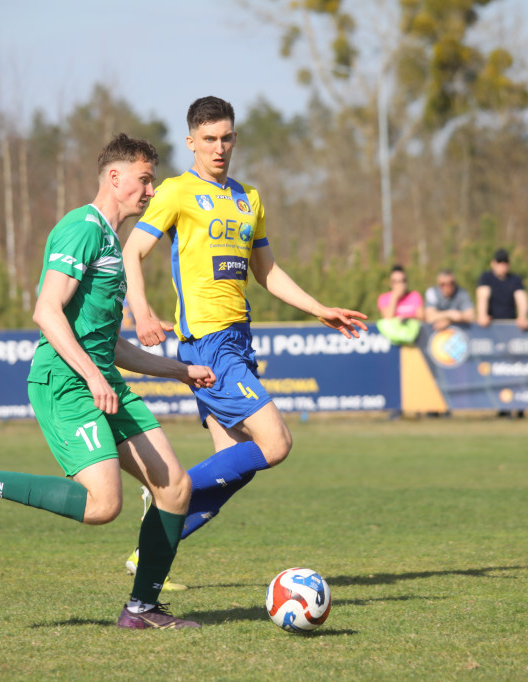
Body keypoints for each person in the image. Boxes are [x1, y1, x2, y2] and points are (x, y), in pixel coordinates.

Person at [0, 134, 213, 630]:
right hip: (66, 383)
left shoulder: (112, 241)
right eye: (144, 179)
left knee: (175, 487)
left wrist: (178, 370)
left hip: (101, 379)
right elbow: (46, 310)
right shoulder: (81, 228)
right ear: (115, 177)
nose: (150, 190)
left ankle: (142, 610)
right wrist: (91, 376)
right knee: (104, 504)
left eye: (152, 180)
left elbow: (113, 347)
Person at [121, 96, 368, 575]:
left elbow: (267, 272)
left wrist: (319, 308)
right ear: (191, 142)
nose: (219, 147)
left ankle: (147, 554)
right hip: (208, 343)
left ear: (235, 139)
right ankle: (165, 491)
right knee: (275, 445)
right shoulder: (175, 192)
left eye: (226, 138)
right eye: (209, 139)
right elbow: (133, 252)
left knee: (233, 470)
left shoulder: (248, 197)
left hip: (239, 341)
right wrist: (141, 311)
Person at [476, 248, 528, 331]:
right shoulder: (486, 278)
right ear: (493, 263)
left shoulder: (515, 279)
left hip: (510, 325)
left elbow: (521, 299)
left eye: (505, 262)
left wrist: (522, 317)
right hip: (491, 325)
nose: (502, 264)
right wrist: (482, 315)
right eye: (499, 262)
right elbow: (482, 297)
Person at [377, 264, 424, 344]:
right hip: (392, 343)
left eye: (402, 281)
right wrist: (394, 297)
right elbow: (388, 317)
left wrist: (407, 318)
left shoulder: (414, 296)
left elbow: (422, 317)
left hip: (414, 341)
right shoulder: (383, 298)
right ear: (391, 283)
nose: (400, 285)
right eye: (396, 282)